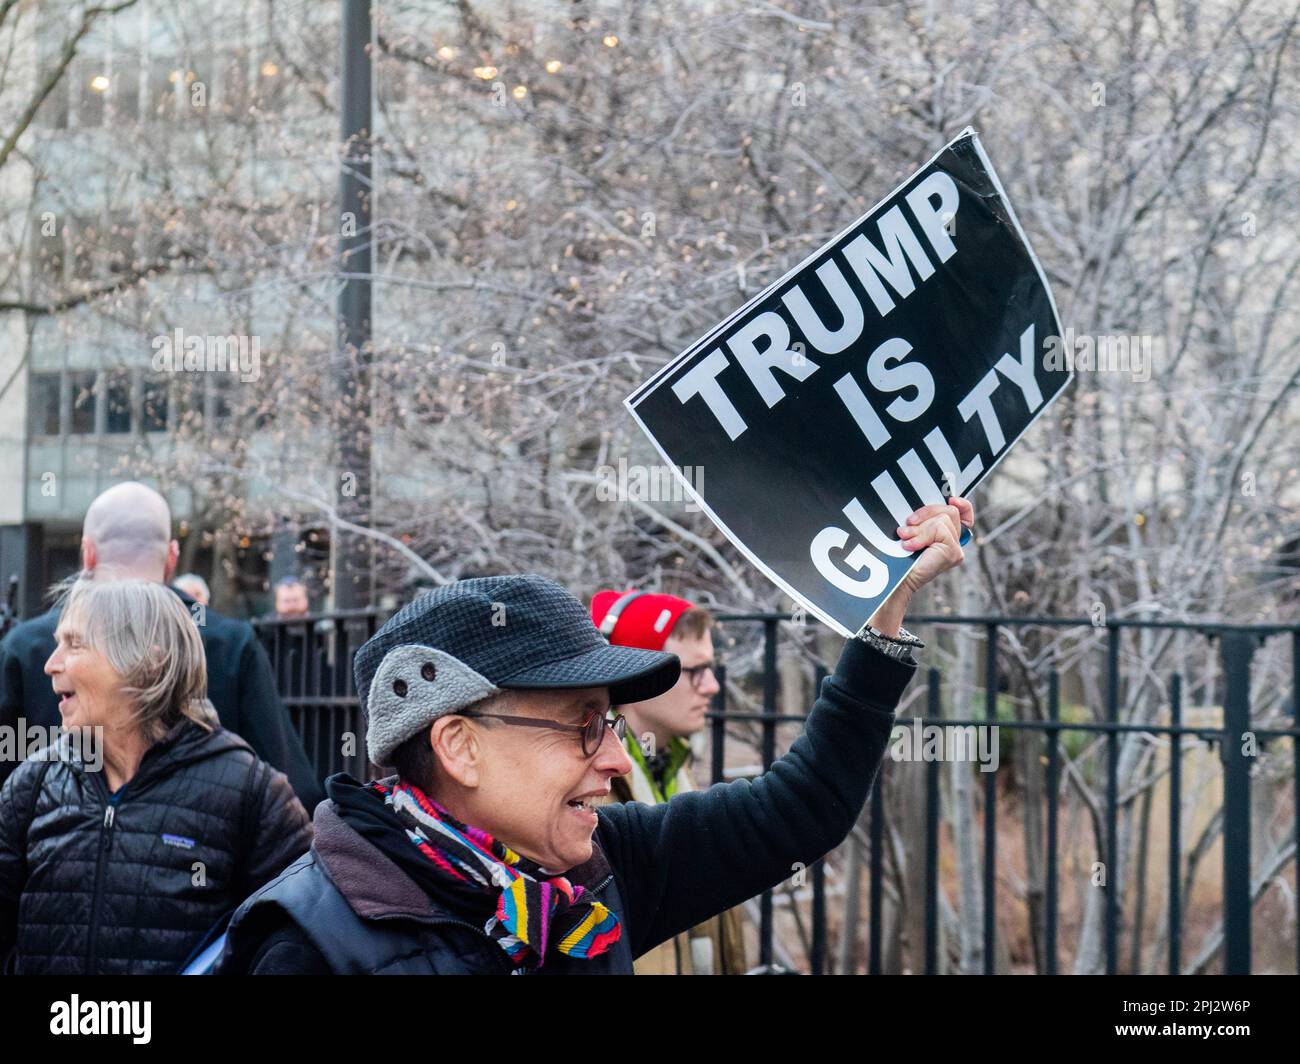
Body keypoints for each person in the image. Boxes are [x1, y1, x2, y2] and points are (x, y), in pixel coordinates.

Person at [220, 498, 974, 975]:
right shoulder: (309, 943)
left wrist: (887, 611)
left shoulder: (604, 872)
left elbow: (802, 808)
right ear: (459, 746)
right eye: (583, 726)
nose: (615, 761)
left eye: (609, 723)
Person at [0, 579, 312, 974]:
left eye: (75, 643)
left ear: (149, 662)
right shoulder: (32, 785)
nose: (51, 663)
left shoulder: (252, 794)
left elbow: (293, 950)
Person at [0, 482, 324, 809]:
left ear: (88, 553)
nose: (57, 662)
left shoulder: (27, 647)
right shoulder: (228, 642)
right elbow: (292, 791)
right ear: (171, 558)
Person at [588, 589, 747, 974]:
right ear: (642, 675)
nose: (711, 685)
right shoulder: (589, 796)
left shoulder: (677, 771)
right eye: (693, 671)